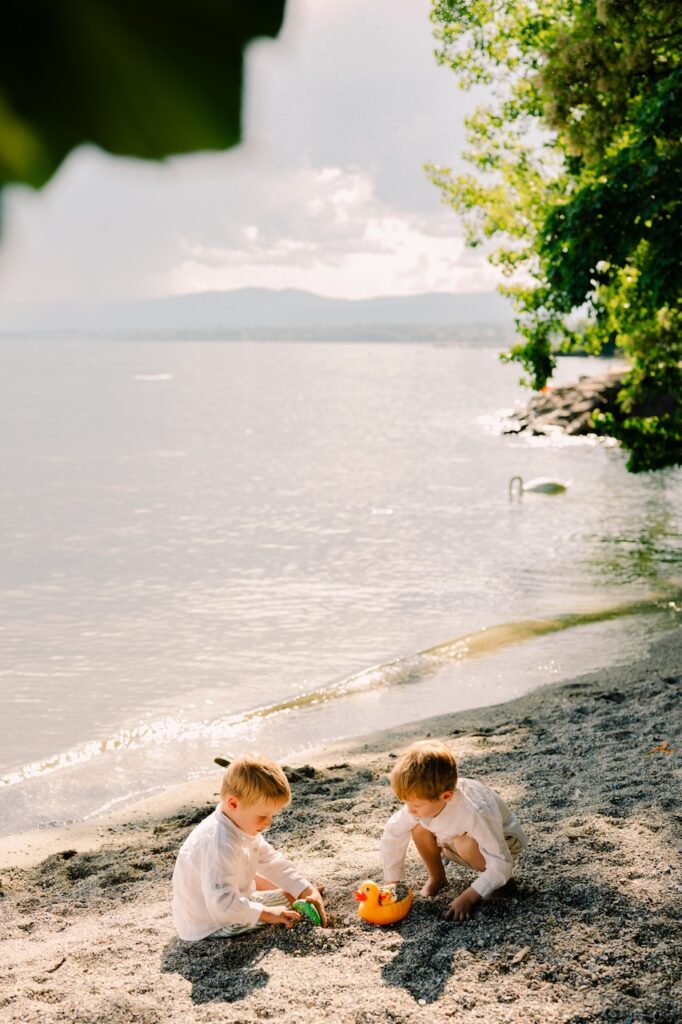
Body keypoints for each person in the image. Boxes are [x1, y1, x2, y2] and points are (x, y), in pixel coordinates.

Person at [172, 753, 326, 940]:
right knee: (291, 900)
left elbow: (270, 860)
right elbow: (221, 905)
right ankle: (279, 900)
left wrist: (304, 888)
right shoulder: (219, 842)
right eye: (262, 816)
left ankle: (284, 895)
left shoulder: (237, 823)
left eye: (272, 815)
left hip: (217, 899)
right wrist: (267, 913)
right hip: (212, 922)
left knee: (284, 885)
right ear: (234, 803)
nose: (268, 823)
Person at [380, 740, 527, 921]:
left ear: (446, 796)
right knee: (417, 827)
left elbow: (501, 862)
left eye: (416, 805)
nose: (410, 810)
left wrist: (469, 896)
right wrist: (392, 882)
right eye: (406, 803)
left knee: (463, 843)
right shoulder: (424, 803)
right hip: (453, 835)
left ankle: (502, 884)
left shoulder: (474, 811)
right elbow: (393, 832)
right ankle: (438, 877)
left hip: (503, 843)